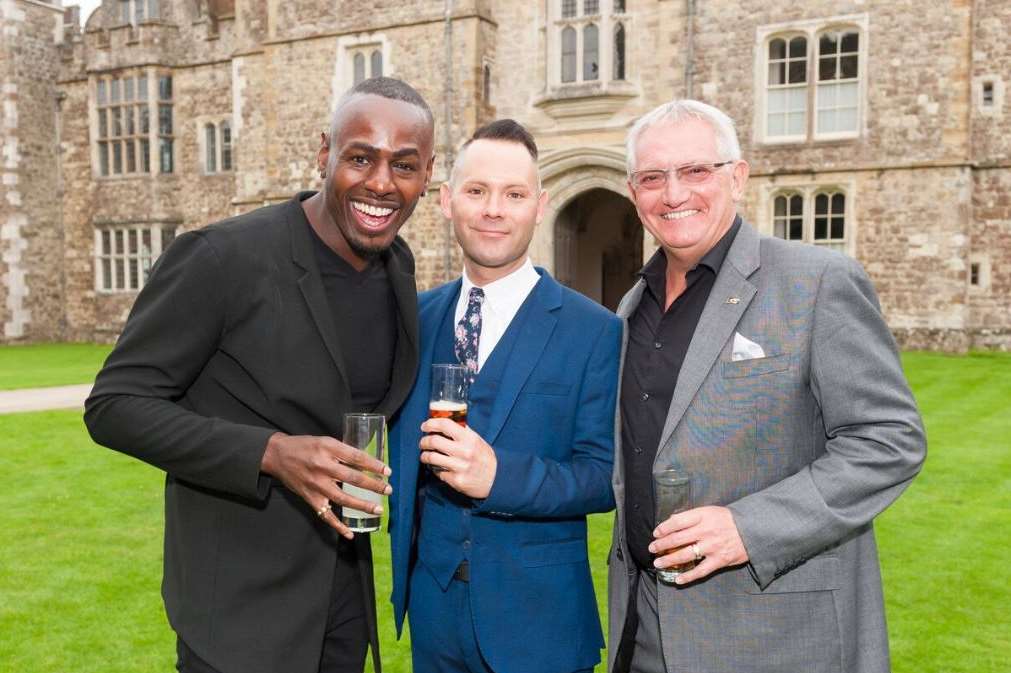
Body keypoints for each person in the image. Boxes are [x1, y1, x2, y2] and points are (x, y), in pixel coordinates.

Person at [84, 77, 435, 673]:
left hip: (343, 604)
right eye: (360, 158)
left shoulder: (397, 267)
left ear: (427, 175)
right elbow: (115, 405)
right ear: (324, 154)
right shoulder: (222, 258)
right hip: (237, 618)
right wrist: (270, 453)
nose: (381, 183)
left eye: (404, 165)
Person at [607, 99, 927, 673]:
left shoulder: (817, 282)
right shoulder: (631, 308)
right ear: (634, 192)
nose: (674, 193)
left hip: (775, 637)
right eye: (653, 177)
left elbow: (888, 440)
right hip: (647, 630)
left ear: (738, 176)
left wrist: (746, 529)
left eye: (696, 171)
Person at [387, 119, 622, 673]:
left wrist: (500, 477)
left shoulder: (595, 330)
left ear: (538, 207)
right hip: (433, 617)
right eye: (477, 191)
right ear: (446, 201)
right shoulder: (414, 320)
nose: (494, 209)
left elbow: (604, 476)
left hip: (539, 625)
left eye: (514, 194)